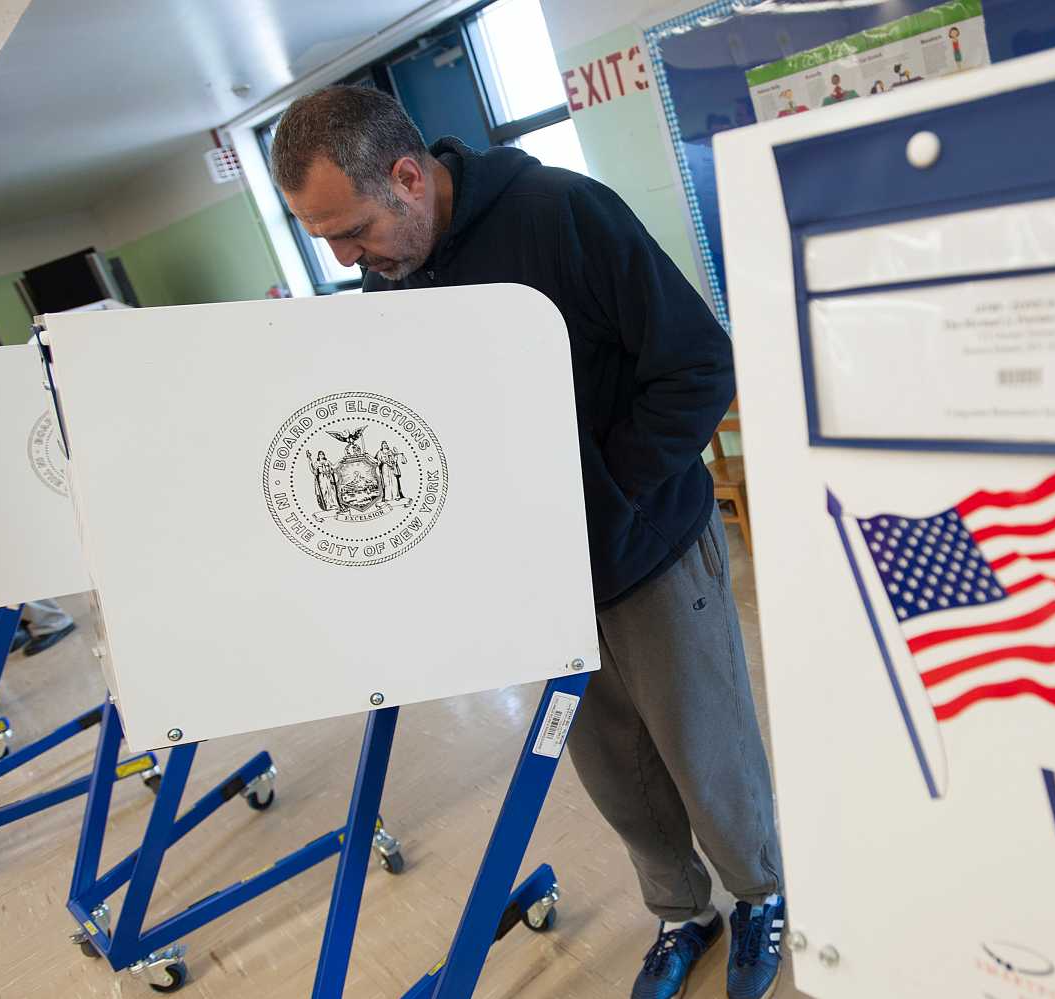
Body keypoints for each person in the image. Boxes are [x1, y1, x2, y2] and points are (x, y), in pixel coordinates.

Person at [270, 86, 785, 999]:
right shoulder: (392, 278)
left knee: (707, 753)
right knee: (616, 768)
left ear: (406, 177)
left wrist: (600, 492)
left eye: (349, 231)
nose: (346, 257)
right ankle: (679, 911)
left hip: (649, 547)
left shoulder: (561, 213)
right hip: (537, 585)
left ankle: (761, 895)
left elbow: (701, 362)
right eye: (327, 241)